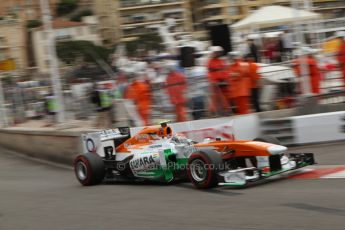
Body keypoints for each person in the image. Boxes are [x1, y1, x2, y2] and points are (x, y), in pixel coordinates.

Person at [207, 46, 229, 115]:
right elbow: (210, 73)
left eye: (219, 53)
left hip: (223, 82)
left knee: (225, 96)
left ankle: (225, 110)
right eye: (217, 53)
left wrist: (226, 79)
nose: (218, 54)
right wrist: (213, 81)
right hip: (215, 83)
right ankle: (213, 111)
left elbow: (224, 71)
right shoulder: (210, 62)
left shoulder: (222, 61)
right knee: (215, 97)